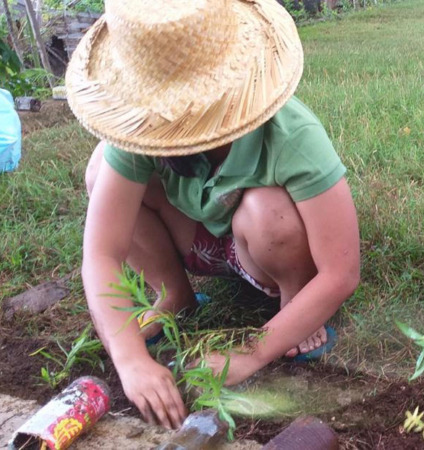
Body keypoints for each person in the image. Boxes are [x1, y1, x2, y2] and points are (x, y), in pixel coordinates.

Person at [66, 0, 360, 429]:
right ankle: (175, 295)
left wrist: (252, 353)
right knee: (101, 173)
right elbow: (101, 253)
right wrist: (130, 360)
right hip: (199, 238)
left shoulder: (292, 134)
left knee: (269, 213)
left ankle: (292, 305)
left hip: (264, 247)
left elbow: (342, 271)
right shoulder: (141, 127)